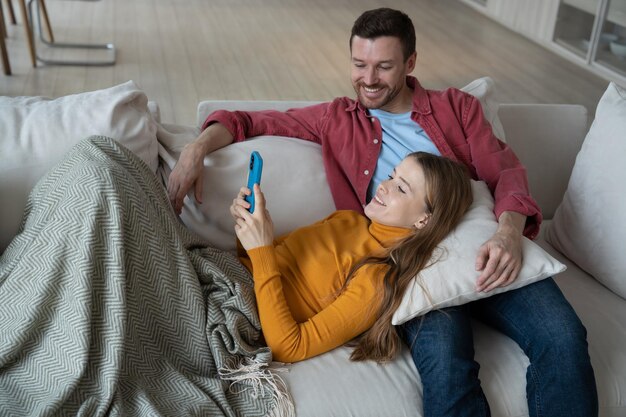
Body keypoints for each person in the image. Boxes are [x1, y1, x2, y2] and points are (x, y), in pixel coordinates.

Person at [167, 7, 598, 416]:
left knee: (562, 337)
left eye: (384, 67)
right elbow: (249, 121)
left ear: (410, 62)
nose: (368, 79)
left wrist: (508, 231)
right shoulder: (338, 118)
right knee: (447, 362)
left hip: (480, 247)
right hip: (408, 266)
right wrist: (197, 148)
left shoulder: (457, 109)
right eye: (359, 64)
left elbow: (505, 172)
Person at [231, 152, 472, 363]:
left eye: (401, 188)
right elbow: (254, 260)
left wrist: (261, 250)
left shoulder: (377, 278)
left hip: (237, 312)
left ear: (424, 220)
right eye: (391, 176)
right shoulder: (346, 219)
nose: (383, 186)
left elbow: (289, 347)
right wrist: (249, 225)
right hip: (224, 275)